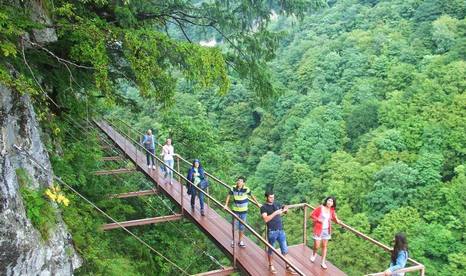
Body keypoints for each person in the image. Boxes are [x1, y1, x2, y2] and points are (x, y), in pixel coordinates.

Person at [260, 191, 297, 274]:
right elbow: (266, 219)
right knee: (271, 250)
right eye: (270, 197)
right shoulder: (264, 207)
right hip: (272, 231)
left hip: (281, 230)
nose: (272, 198)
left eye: (273, 197)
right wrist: (275, 213)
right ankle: (271, 265)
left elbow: (285, 209)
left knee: (285, 249)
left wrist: (285, 209)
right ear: (266, 197)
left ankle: (288, 266)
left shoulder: (277, 204)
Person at [224, 176, 259, 248]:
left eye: (240, 181)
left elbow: (252, 196)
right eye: (238, 181)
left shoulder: (246, 189)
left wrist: (257, 203)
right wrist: (226, 205)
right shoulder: (233, 188)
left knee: (242, 227)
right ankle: (233, 240)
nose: (239, 182)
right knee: (234, 226)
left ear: (243, 183)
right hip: (235, 211)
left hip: (244, 211)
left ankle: (240, 240)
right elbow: (228, 195)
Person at [309, 196, 341, 269]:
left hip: (326, 230)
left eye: (331, 201)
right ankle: (314, 254)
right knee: (317, 246)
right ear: (326, 201)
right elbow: (311, 215)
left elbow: (334, 218)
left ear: (333, 204)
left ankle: (323, 262)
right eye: (329, 200)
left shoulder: (332, 210)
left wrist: (338, 221)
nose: (329, 202)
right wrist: (318, 220)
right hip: (318, 229)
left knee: (324, 246)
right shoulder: (320, 207)